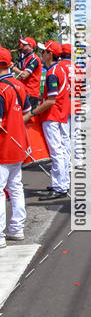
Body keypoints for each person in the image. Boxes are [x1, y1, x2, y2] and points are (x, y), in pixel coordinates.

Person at [0, 46, 32, 245]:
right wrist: (15, 126)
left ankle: (1, 235)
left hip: (3, 147)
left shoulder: (1, 88)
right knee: (15, 187)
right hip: (17, 143)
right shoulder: (19, 85)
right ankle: (16, 228)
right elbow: (27, 112)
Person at [31, 40, 70, 200]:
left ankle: (60, 186)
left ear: (50, 54)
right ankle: (60, 183)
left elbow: (51, 100)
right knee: (61, 151)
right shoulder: (59, 69)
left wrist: (33, 112)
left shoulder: (53, 72)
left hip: (52, 115)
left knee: (56, 152)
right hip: (59, 114)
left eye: (44, 52)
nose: (42, 54)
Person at [12, 36, 42, 111]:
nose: (22, 46)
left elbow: (24, 75)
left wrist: (12, 67)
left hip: (31, 93)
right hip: (25, 91)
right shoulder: (26, 58)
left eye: (24, 45)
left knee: (29, 119)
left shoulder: (34, 58)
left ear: (31, 47)